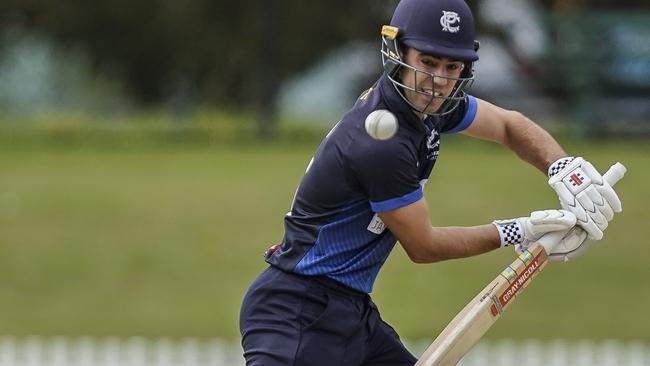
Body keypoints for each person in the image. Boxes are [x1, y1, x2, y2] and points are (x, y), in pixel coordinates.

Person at [239, 0, 623, 365]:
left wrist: (563, 168)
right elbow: (424, 246)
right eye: (428, 62)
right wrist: (517, 231)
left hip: (348, 311)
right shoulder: (381, 144)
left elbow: (508, 126)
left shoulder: (427, 106)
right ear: (399, 52)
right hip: (298, 313)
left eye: (452, 67)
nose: (438, 81)